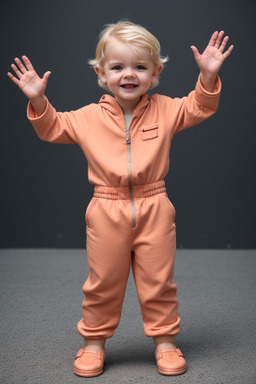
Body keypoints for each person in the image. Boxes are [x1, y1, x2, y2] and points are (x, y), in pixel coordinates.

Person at [8, 21, 233, 377]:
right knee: (102, 282)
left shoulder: (166, 109)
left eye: (140, 67)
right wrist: (38, 99)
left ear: (156, 72)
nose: (129, 75)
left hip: (155, 206)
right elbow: (51, 127)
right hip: (106, 209)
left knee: (159, 281)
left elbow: (199, 107)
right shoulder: (89, 117)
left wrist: (206, 78)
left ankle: (165, 342)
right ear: (101, 73)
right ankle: (94, 343)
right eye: (118, 67)